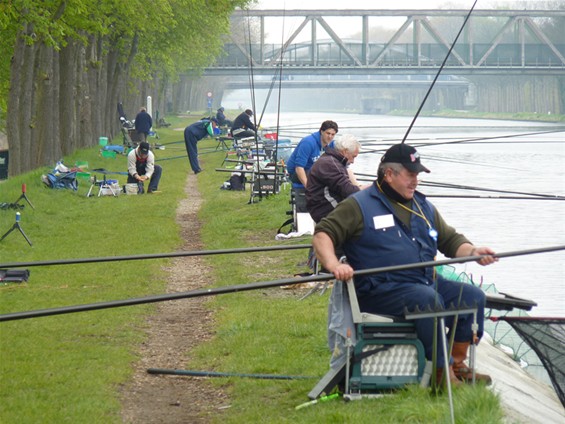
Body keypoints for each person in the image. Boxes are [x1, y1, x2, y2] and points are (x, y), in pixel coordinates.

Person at [312, 143, 497, 386]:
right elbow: (323, 234)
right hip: (381, 290)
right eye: (410, 174)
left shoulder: (423, 206)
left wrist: (473, 251)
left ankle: (457, 363)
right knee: (428, 300)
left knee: (472, 297)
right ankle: (442, 375)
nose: (415, 181)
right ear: (389, 174)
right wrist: (335, 264)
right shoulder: (359, 205)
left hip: (424, 282)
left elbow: (450, 241)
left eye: (417, 175)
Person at [306, 134, 366, 224]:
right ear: (345, 152)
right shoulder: (330, 164)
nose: (353, 161)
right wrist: (373, 187)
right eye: (353, 156)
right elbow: (349, 191)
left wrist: (360, 186)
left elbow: (348, 180)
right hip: (327, 211)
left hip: (322, 209)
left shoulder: (332, 160)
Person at [286, 120, 338, 213]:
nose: (330, 137)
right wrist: (309, 189)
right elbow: (299, 168)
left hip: (313, 172)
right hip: (297, 172)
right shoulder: (308, 143)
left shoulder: (331, 144)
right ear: (321, 131)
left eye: (333, 134)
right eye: (328, 133)